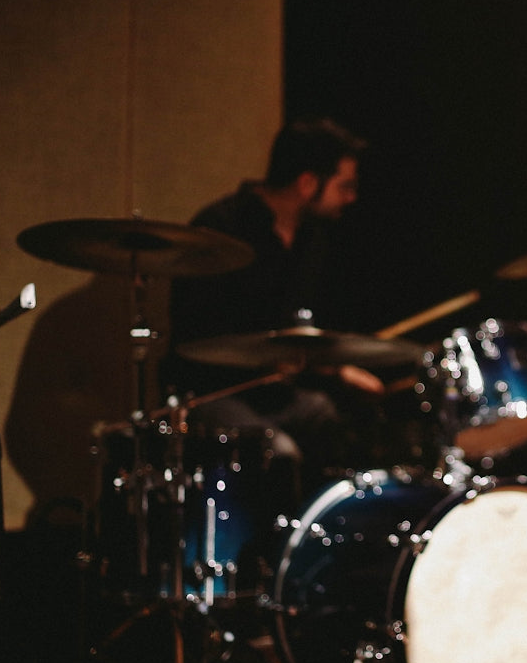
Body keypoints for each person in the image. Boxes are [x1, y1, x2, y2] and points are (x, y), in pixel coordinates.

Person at [164, 117, 387, 512]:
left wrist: (335, 368)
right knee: (277, 453)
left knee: (345, 425)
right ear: (307, 183)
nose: (351, 198)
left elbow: (302, 328)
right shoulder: (220, 229)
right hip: (213, 393)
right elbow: (198, 339)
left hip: (274, 393)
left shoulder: (312, 237)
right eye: (345, 186)